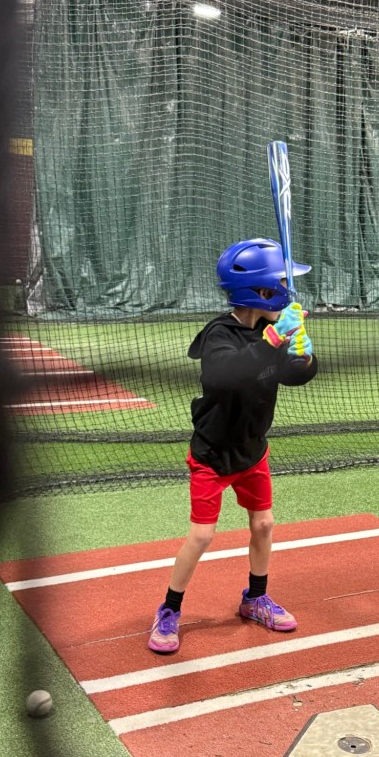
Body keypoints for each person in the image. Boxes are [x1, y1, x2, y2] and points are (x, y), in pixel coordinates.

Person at [148, 238, 318, 654]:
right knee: (202, 535)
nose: (288, 291)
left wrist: (303, 357)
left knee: (264, 525)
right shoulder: (219, 335)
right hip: (213, 454)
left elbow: (291, 376)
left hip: (252, 450)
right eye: (282, 283)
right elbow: (227, 376)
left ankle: (255, 598)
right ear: (261, 291)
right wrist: (275, 340)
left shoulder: (268, 332)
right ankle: (169, 609)